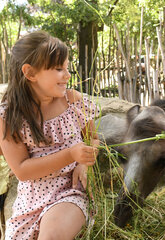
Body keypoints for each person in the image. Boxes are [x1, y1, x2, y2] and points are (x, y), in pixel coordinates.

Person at [0, 30, 100, 239]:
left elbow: (93, 138)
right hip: (31, 200)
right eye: (58, 69)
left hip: (70, 190)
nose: (67, 75)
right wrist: (70, 154)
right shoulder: (9, 116)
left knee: (51, 236)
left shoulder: (73, 101)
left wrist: (83, 162)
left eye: (66, 67)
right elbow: (22, 170)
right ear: (30, 73)